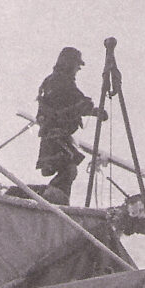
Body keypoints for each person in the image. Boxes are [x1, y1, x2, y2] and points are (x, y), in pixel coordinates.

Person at [34, 47, 106, 205]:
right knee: (69, 169)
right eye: (76, 65)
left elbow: (65, 105)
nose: (78, 69)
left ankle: (54, 199)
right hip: (56, 137)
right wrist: (93, 110)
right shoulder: (62, 82)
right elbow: (75, 103)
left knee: (68, 169)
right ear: (69, 64)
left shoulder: (50, 81)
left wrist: (91, 110)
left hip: (52, 136)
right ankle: (52, 200)